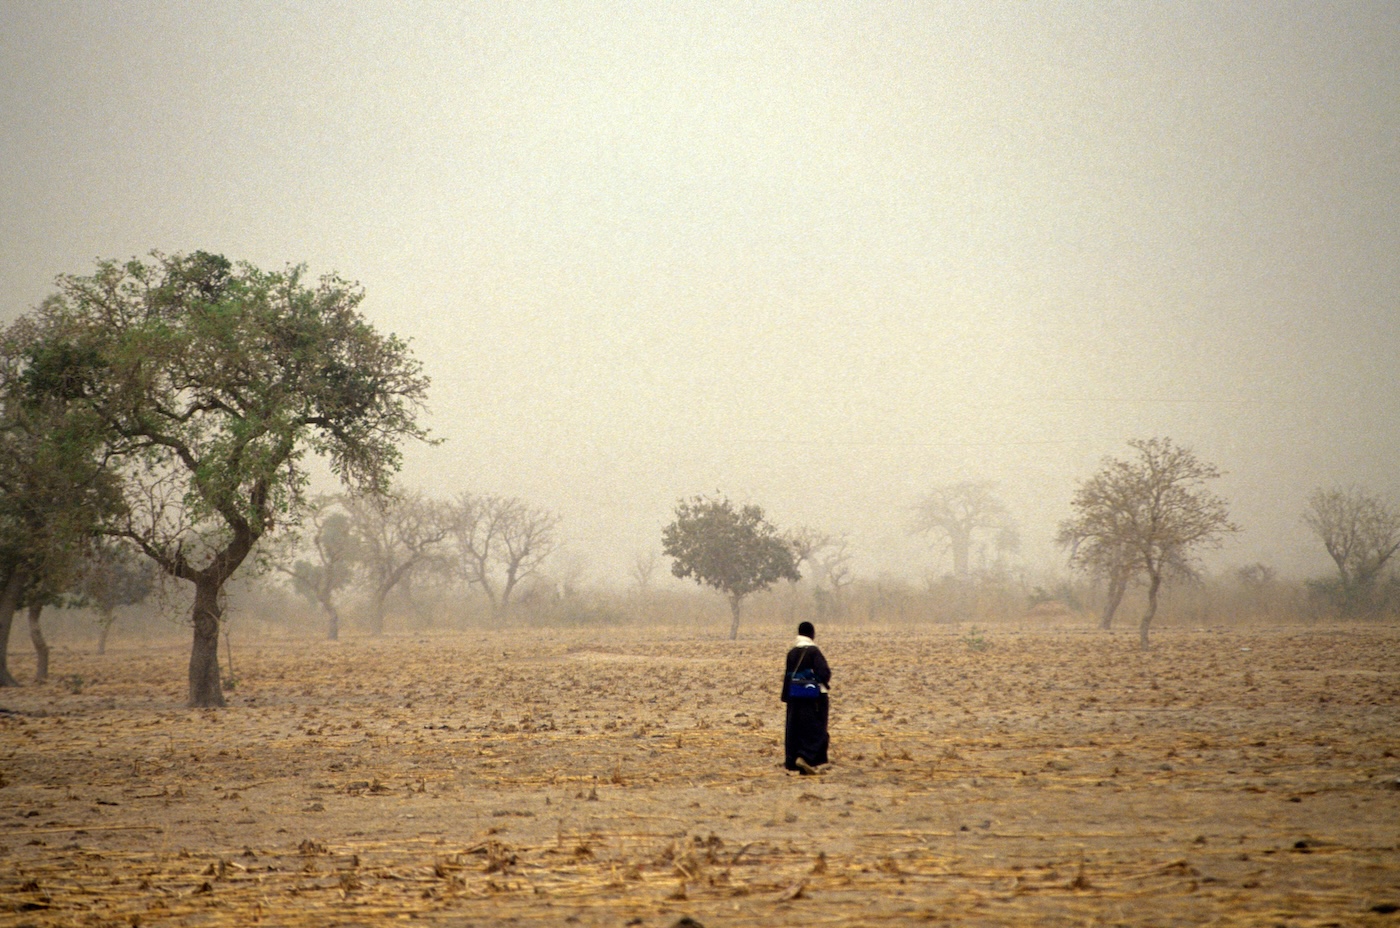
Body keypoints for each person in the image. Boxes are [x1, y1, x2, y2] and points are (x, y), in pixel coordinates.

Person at [781, 621, 830, 774]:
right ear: (812, 634)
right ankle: (806, 757)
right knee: (817, 730)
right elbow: (825, 673)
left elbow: (787, 677)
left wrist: (786, 697)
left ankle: (797, 762)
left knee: (797, 730)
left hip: (794, 697)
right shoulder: (814, 651)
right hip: (814, 698)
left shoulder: (791, 653)